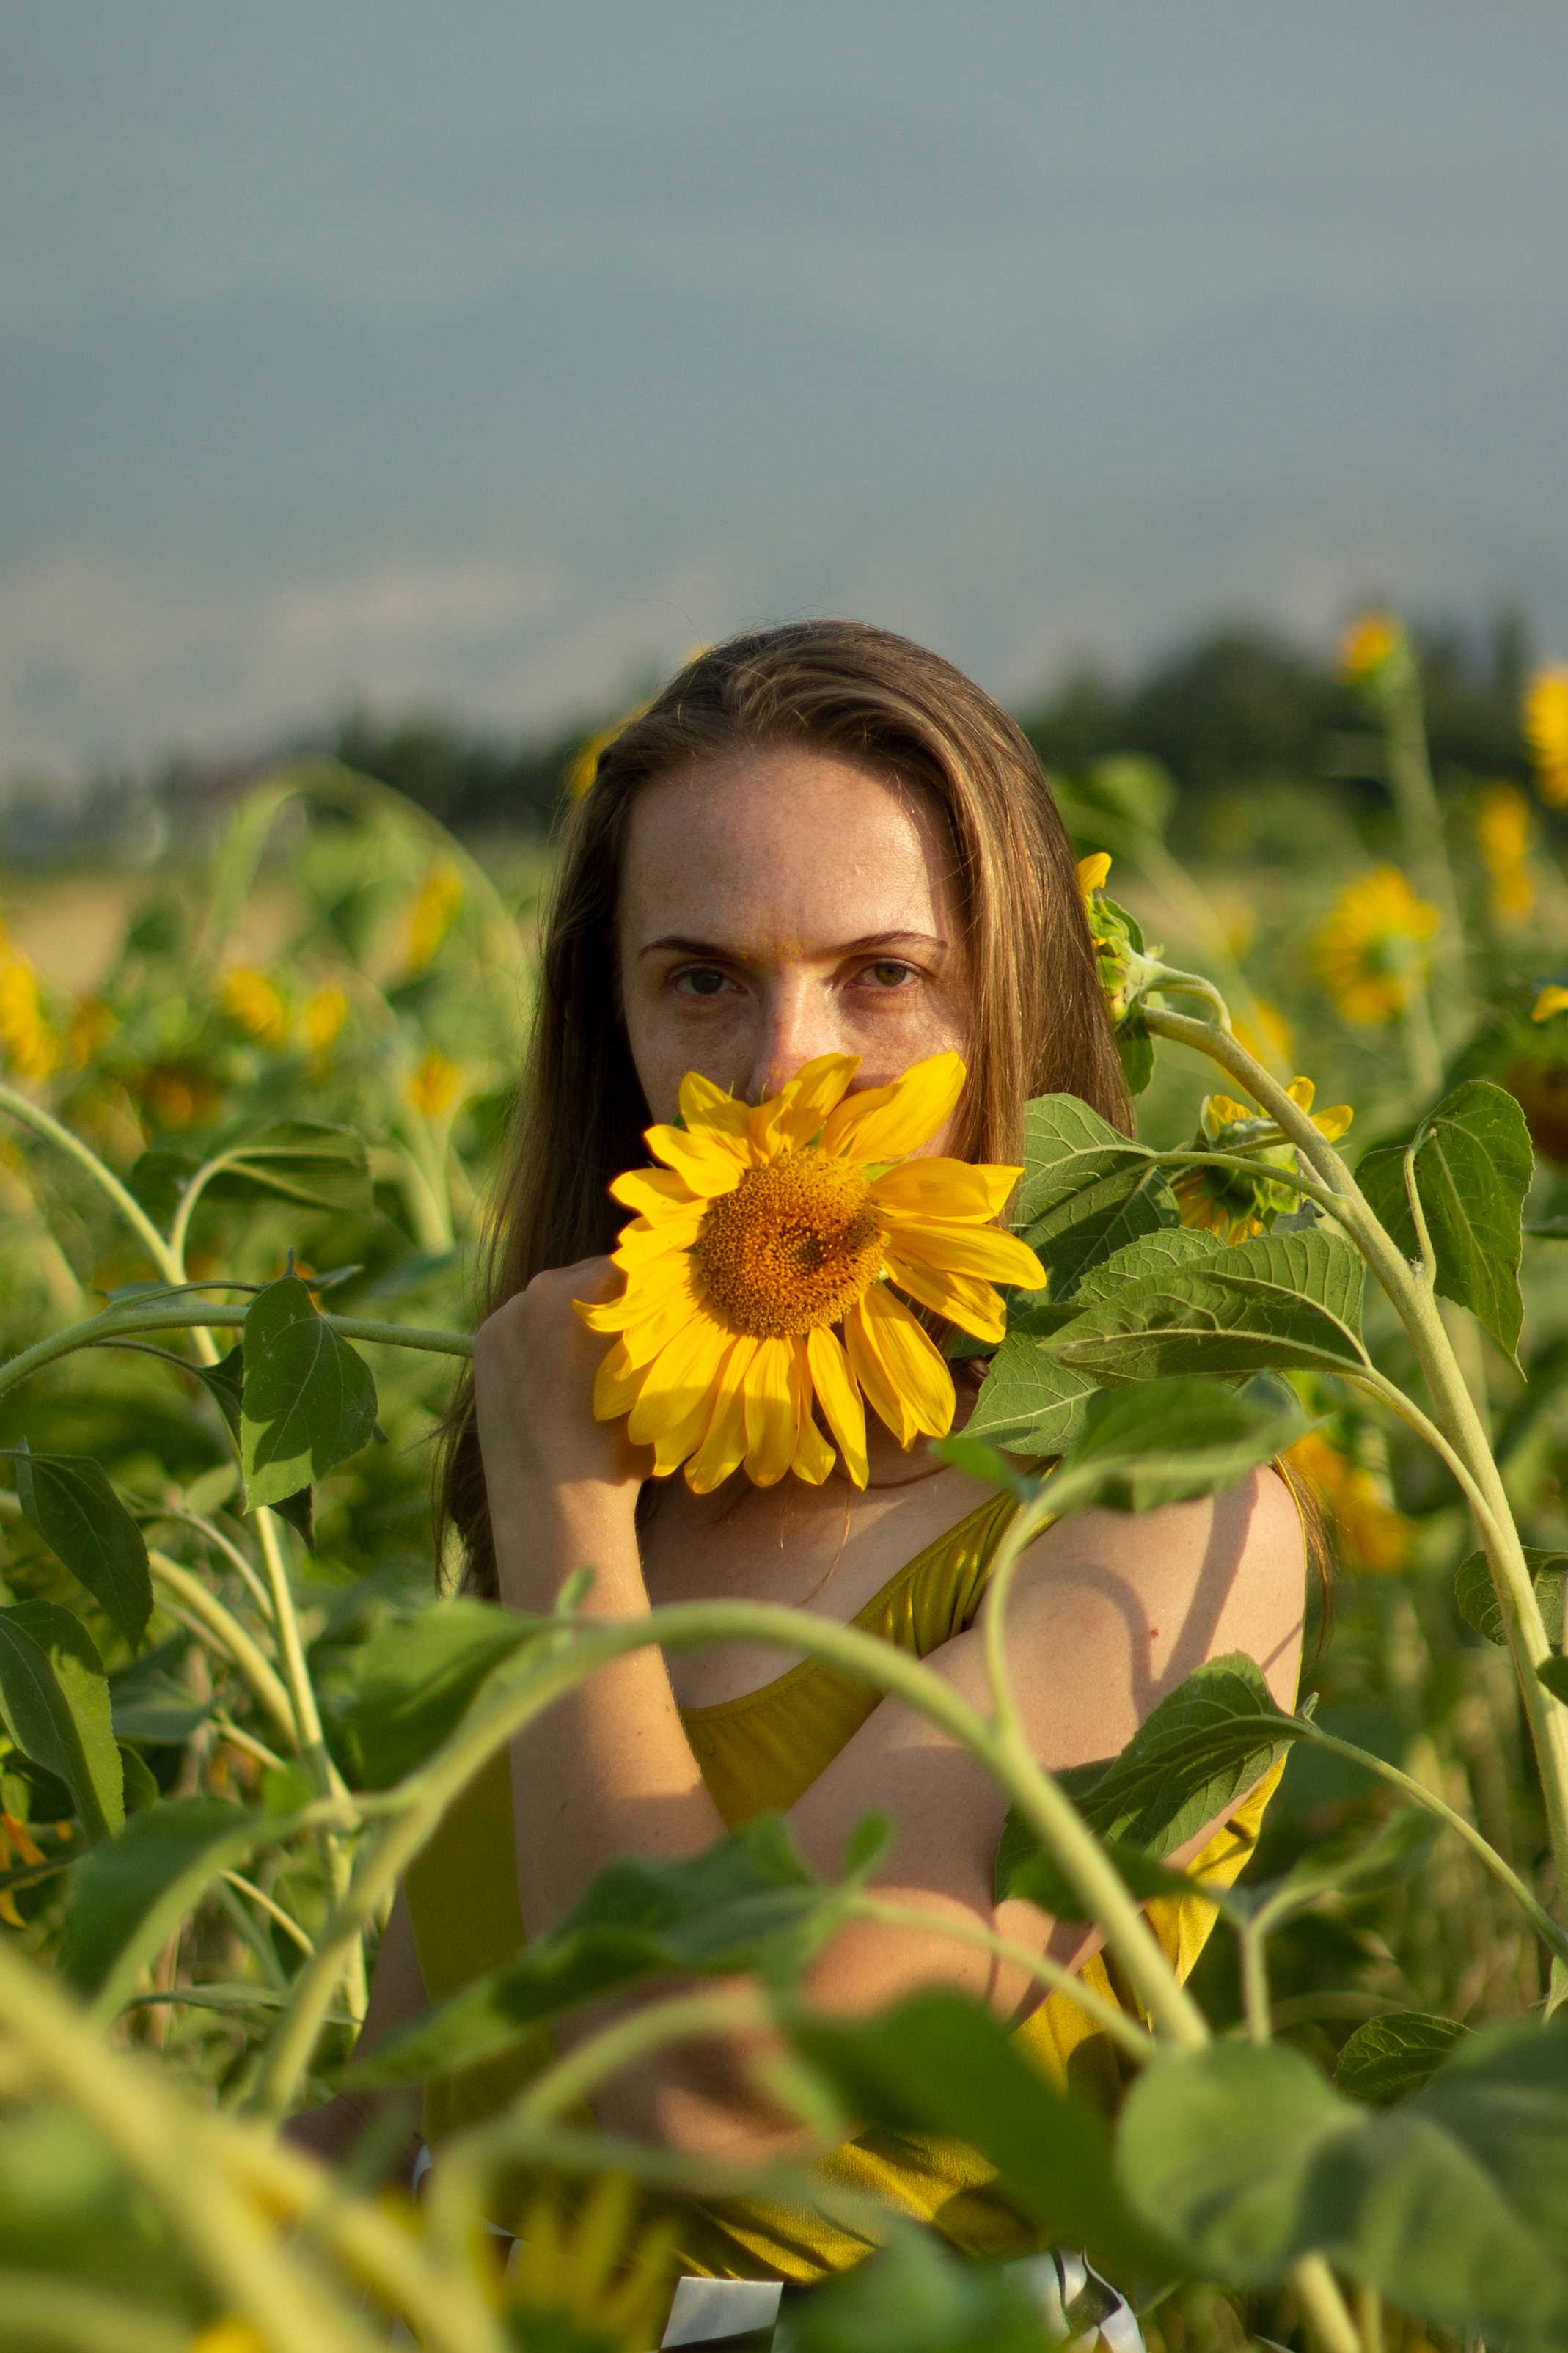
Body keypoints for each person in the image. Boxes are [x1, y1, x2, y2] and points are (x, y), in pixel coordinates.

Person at [291, 621, 1304, 2303]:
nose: (785, 1073)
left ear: (1018, 992)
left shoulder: (1149, 1516)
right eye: (701, 979)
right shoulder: (627, 1478)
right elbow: (409, 2079)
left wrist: (562, 1526)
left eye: (883, 975)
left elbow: (713, 2092)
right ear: (608, 1023)